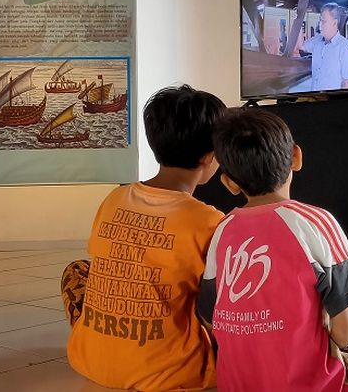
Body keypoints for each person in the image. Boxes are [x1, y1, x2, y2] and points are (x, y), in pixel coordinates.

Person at [198, 108, 348, 392]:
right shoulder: (316, 223)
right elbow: (345, 334)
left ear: (229, 182)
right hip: (319, 385)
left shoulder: (223, 231)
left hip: (237, 385)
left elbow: (210, 321)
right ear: (296, 156)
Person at [61, 85, 226, 391]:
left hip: (88, 359)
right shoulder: (209, 221)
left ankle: (106, 345)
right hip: (174, 374)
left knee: (77, 269)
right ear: (209, 156)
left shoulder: (114, 197)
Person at [302, 2, 348, 91]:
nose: (320, 25)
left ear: (334, 23)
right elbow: (302, 47)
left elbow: (347, 82)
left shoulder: (345, 47)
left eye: (323, 21)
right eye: (320, 20)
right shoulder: (317, 40)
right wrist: (299, 19)